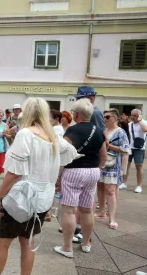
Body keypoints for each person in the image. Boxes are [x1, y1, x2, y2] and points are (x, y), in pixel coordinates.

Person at [0, 98, 78, 275]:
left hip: (22, 197)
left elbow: (14, 173)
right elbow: (70, 152)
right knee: (27, 241)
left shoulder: (26, 134)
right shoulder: (53, 136)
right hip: (43, 197)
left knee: (1, 242)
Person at [54, 98, 107, 258]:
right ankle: (85, 244)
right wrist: (97, 168)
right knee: (87, 210)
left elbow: (63, 155)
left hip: (74, 171)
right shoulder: (99, 131)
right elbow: (103, 156)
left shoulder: (72, 131)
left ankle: (67, 247)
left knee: (69, 210)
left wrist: (58, 177)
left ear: (76, 114)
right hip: (93, 171)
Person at [96, 108, 130, 230]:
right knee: (100, 187)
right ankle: (101, 211)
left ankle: (112, 218)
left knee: (110, 191)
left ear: (115, 118)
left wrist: (109, 145)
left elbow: (125, 149)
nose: (105, 119)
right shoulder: (104, 130)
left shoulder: (120, 132)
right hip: (102, 163)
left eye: (107, 117)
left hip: (113, 164)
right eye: (104, 117)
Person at [124, 109, 147, 193]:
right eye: (132, 115)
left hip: (139, 148)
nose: (133, 117)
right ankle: (124, 183)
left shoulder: (144, 123)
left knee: (139, 166)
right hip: (129, 147)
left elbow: (145, 130)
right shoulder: (130, 124)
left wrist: (140, 120)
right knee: (126, 165)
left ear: (140, 116)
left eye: (135, 115)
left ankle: (139, 185)